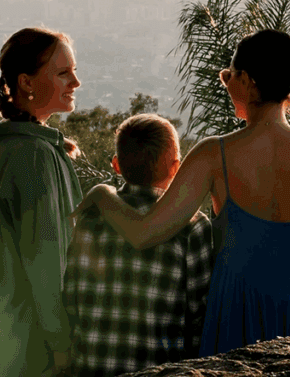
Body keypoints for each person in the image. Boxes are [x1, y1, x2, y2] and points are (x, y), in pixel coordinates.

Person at [72, 29, 290, 355]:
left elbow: (143, 232)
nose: (225, 83)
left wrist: (101, 193)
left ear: (248, 81)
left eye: (229, 75)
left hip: (234, 325)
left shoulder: (214, 156)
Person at [0, 27, 83, 377]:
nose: (76, 82)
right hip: (30, 351)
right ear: (26, 83)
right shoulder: (35, 157)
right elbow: (48, 263)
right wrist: (61, 345)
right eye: (62, 73)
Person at [63, 113, 214, 376]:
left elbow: (71, 299)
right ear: (175, 167)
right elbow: (198, 316)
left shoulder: (90, 217)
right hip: (160, 367)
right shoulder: (192, 226)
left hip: (92, 365)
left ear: (116, 165)